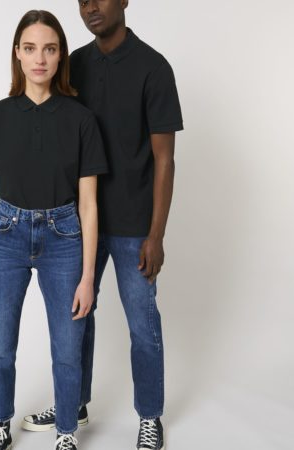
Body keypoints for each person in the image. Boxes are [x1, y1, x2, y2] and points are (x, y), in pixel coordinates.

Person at [22, 1, 183, 449]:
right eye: (82, 0)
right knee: (75, 318)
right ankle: (73, 403)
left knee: (141, 324)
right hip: (76, 223)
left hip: (134, 226)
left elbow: (165, 159)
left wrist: (156, 234)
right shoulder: (73, 65)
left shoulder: (153, 68)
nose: (90, 6)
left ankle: (149, 416)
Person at [0, 9, 108, 450]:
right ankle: (0, 425)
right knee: (0, 347)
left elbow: (89, 203)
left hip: (64, 238)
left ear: (60, 54)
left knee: (67, 348)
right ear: (18, 54)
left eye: (49, 49)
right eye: (30, 49)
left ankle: (66, 431)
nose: (40, 59)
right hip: (5, 236)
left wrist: (87, 277)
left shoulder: (81, 120)